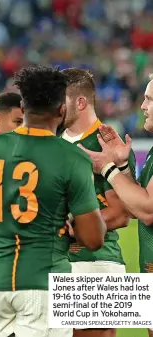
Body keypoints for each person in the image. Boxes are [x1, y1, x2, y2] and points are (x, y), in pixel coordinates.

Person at [0, 66, 107, 337]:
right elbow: (94, 238)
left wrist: (9, 219)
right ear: (61, 109)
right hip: (45, 281)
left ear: (23, 106)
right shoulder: (72, 157)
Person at [60, 68, 135, 336]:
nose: (55, 106)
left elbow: (121, 213)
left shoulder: (107, 142)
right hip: (56, 262)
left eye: (61, 99)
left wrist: (71, 226)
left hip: (97, 263)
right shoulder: (54, 141)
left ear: (80, 102)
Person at [79, 74, 153, 337]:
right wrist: (121, 166)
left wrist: (108, 169)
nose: (142, 106)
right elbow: (135, 207)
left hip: (100, 262)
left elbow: (147, 210)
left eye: (149, 99)